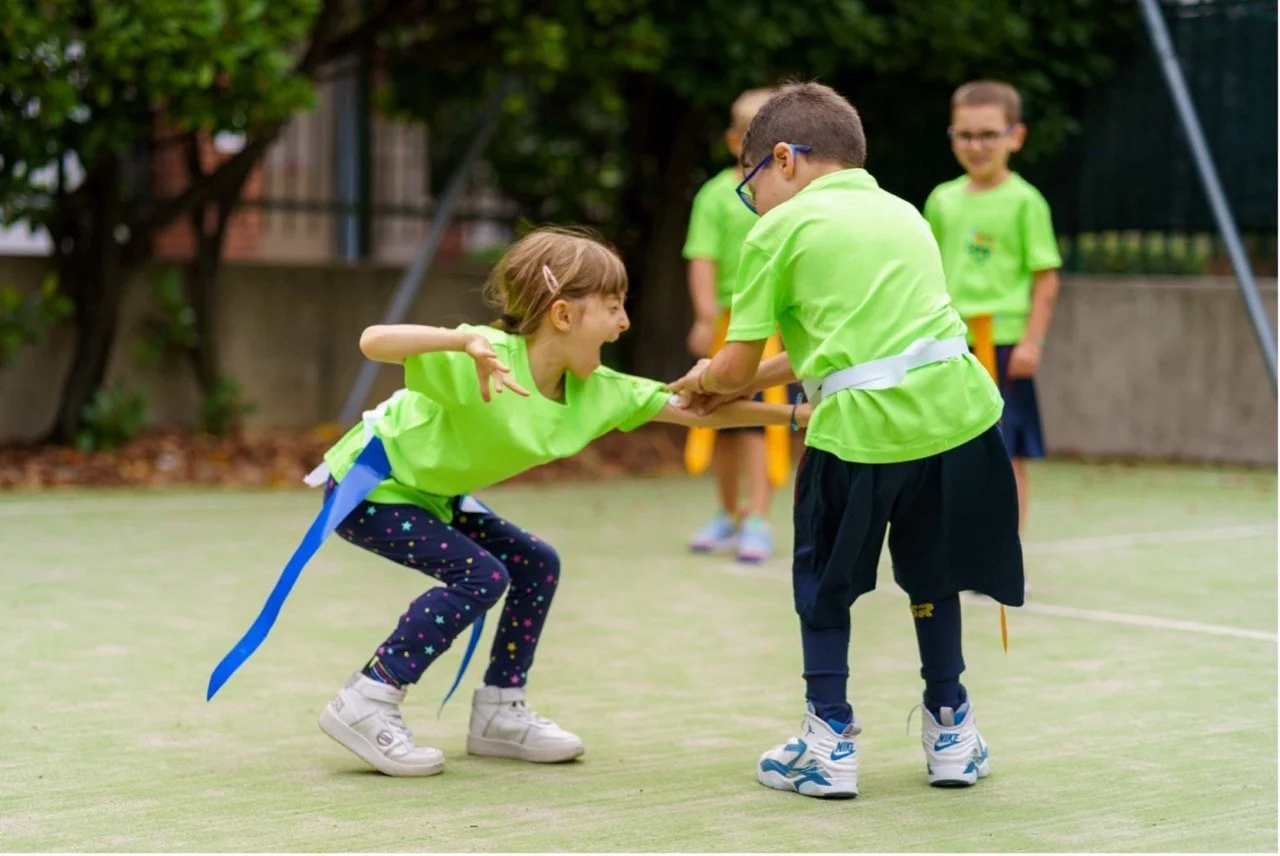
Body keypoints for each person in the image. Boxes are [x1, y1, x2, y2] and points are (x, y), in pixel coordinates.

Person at [210, 226, 809, 778]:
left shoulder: (597, 391)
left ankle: (499, 712)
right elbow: (373, 341)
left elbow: (695, 409)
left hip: (434, 495)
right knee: (481, 575)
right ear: (564, 313)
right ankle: (366, 700)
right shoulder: (483, 357)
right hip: (372, 487)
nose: (625, 323)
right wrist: (461, 337)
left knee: (535, 562)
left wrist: (793, 413)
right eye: (614, 307)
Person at [667, 82, 1024, 799]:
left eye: (751, 185)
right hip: (960, 415)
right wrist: (732, 383)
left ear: (783, 160)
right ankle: (951, 731)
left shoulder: (776, 230)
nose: (754, 201)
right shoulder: (904, 213)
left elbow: (739, 362)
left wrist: (712, 380)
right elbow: (830, 347)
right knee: (935, 575)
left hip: (861, 433)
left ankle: (827, 742)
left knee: (824, 585)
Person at [923, 79, 1063, 551]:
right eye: (965, 135)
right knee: (948, 449)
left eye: (988, 134)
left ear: (1015, 137)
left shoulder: (1027, 201)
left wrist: (1031, 342)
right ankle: (959, 546)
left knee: (1007, 453)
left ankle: (1005, 551)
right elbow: (927, 274)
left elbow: (1045, 278)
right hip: (951, 348)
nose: (977, 146)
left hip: (1003, 343)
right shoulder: (942, 199)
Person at [682, 87, 790, 564]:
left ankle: (759, 518)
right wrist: (705, 317)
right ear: (732, 141)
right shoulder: (714, 195)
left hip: (772, 328)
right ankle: (727, 512)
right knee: (718, 418)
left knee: (756, 428)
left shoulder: (792, 201)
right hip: (729, 322)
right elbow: (701, 258)